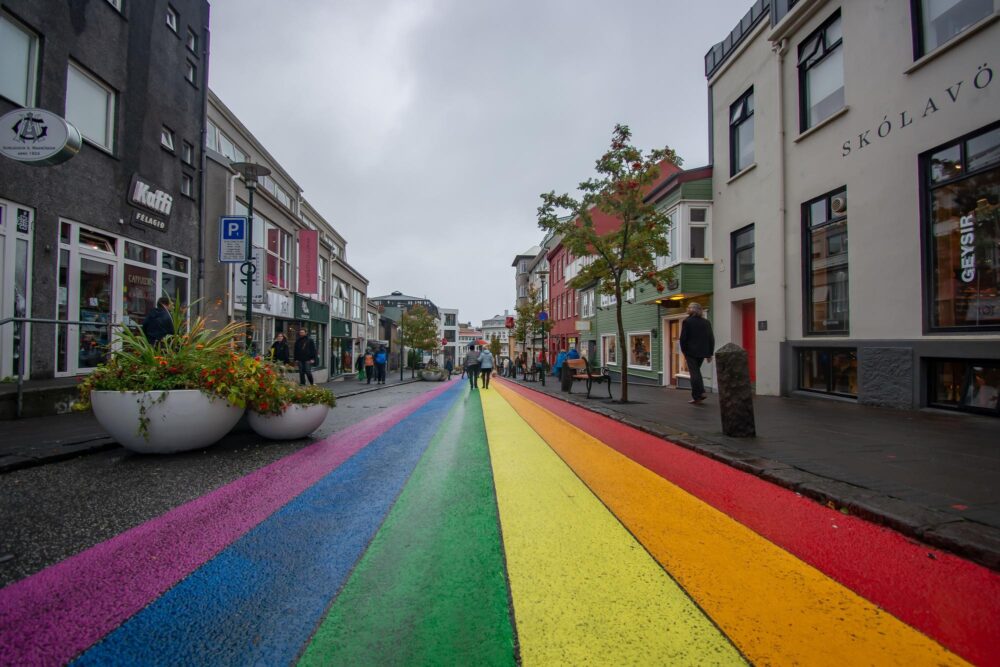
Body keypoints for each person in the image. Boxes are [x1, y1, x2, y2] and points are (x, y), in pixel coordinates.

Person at [679, 302, 715, 404]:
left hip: (691, 352)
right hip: (703, 352)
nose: (687, 308)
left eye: (689, 307)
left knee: (694, 373)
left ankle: (699, 394)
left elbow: (683, 339)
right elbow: (710, 338)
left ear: (693, 310)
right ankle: (698, 395)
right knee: (696, 372)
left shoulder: (687, 321)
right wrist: (709, 353)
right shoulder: (706, 322)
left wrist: (684, 351)